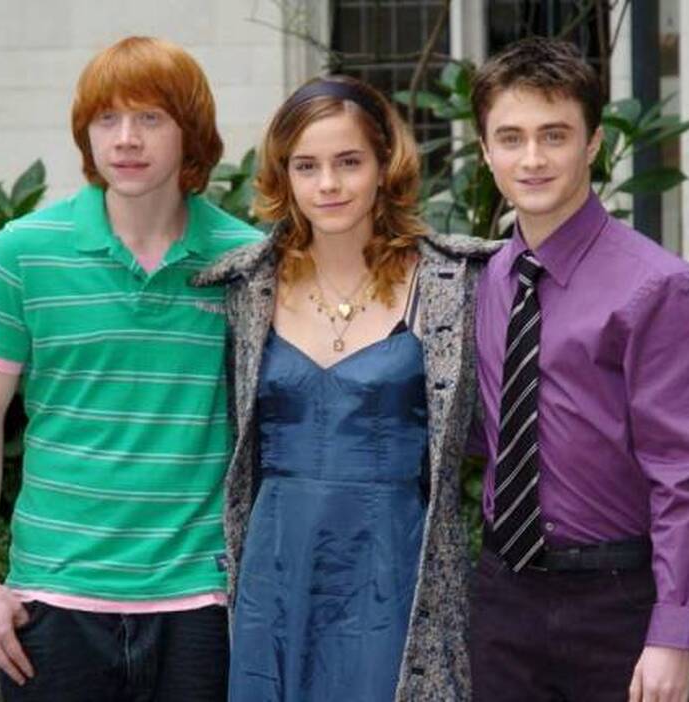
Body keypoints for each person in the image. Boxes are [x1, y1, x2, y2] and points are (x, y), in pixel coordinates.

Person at [0, 36, 260, 701]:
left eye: (150, 118)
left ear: (191, 132)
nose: (125, 139)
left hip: (203, 605)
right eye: (106, 118)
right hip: (53, 605)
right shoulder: (24, 252)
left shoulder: (248, 261)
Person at [194, 75, 497, 702]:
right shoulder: (246, 287)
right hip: (278, 559)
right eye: (306, 166)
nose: (328, 184)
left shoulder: (450, 282)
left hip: (394, 561)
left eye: (349, 162)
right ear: (284, 176)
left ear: (385, 166)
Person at [467, 37, 689, 702]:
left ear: (593, 144)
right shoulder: (483, 282)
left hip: (616, 607)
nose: (532, 159)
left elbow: (686, 475)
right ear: (485, 150)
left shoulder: (657, 287)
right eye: (511, 138)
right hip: (502, 599)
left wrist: (674, 634)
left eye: (554, 135)